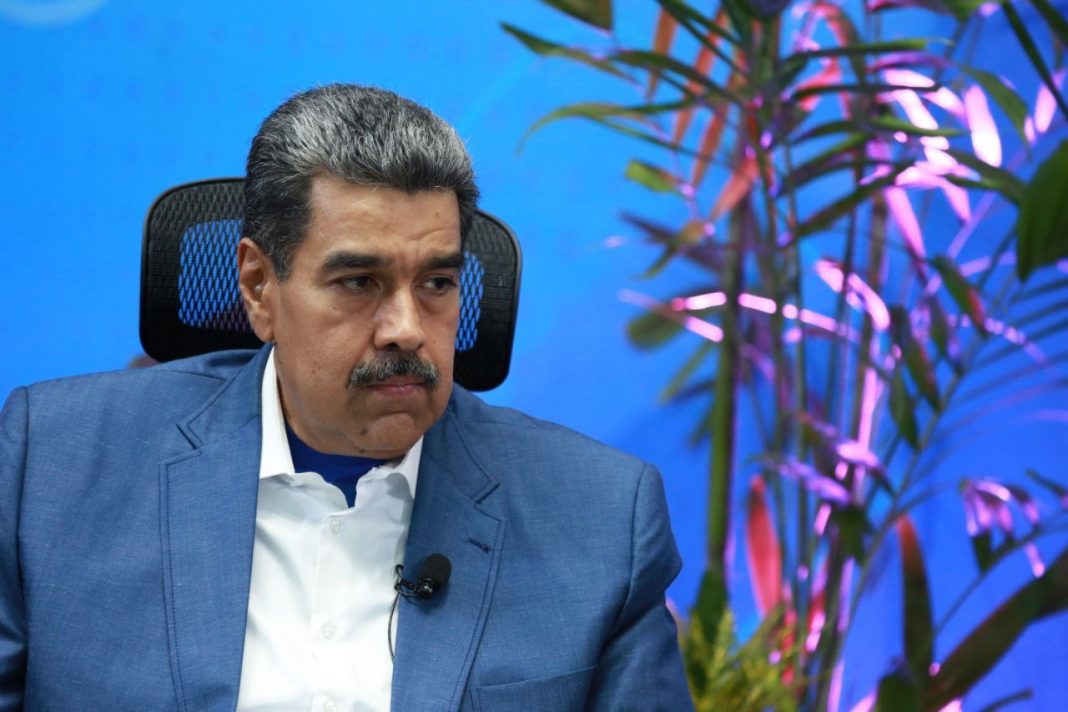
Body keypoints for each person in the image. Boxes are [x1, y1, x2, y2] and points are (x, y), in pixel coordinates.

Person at [0, 84, 693, 710]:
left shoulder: (603, 518)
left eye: (438, 283)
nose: (407, 329)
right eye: (359, 282)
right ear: (258, 287)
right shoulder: (49, 465)